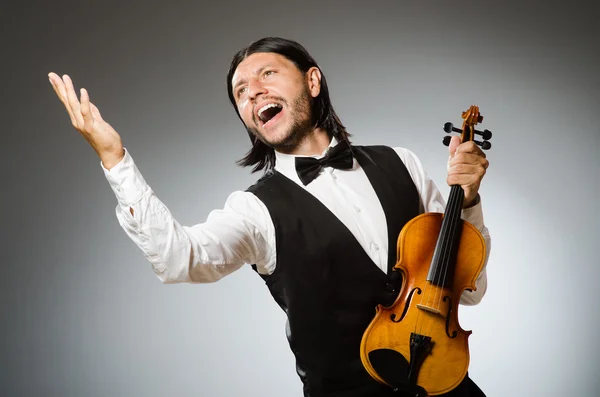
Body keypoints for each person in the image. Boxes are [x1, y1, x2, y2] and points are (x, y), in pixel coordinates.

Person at [48, 37, 490, 397]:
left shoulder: (403, 163)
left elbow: (468, 292)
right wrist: (115, 158)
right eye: (240, 92)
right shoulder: (254, 209)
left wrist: (467, 200)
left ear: (312, 81)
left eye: (267, 74)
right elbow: (176, 259)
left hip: (446, 388)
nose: (253, 91)